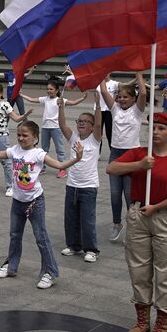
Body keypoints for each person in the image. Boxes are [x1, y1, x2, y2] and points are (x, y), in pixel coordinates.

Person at [106, 112, 167, 332]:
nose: (156, 132)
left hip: (164, 217)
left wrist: (157, 206)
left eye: (162, 129)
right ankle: (142, 321)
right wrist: (139, 165)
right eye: (153, 128)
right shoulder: (139, 153)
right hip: (138, 215)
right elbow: (112, 168)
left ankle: (163, 324)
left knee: (166, 271)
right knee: (139, 269)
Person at [0, 121, 81, 289]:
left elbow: (59, 165)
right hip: (17, 201)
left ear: (35, 137)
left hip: (35, 202)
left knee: (41, 238)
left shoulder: (38, 154)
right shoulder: (14, 150)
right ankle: (11, 266)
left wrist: (76, 159)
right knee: (14, 235)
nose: (21, 138)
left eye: (25, 135)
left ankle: (50, 272)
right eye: (19, 135)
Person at [99, 73, 147, 242]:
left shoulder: (137, 111)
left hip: (132, 155)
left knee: (129, 194)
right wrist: (100, 73)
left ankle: (132, 226)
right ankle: (116, 223)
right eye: (119, 97)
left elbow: (143, 93)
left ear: (133, 99)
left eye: (126, 97)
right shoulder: (114, 109)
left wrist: (139, 74)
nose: (121, 99)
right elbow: (104, 92)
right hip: (116, 154)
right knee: (114, 193)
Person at [61, 97, 103, 263]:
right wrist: (60, 108)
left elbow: (100, 124)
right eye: (79, 121)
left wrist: (98, 106)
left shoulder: (94, 139)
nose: (81, 123)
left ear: (92, 127)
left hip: (88, 187)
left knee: (87, 219)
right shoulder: (73, 138)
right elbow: (62, 125)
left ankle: (91, 249)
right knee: (70, 218)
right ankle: (73, 245)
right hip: (72, 185)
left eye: (86, 121)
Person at [18, 79, 83, 172]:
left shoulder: (60, 100)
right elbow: (32, 100)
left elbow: (74, 102)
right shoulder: (45, 99)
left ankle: (62, 169)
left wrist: (83, 98)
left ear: (56, 90)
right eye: (48, 89)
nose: (49, 91)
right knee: (44, 149)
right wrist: (22, 95)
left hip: (56, 128)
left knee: (59, 149)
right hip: (45, 127)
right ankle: (42, 167)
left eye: (51, 89)